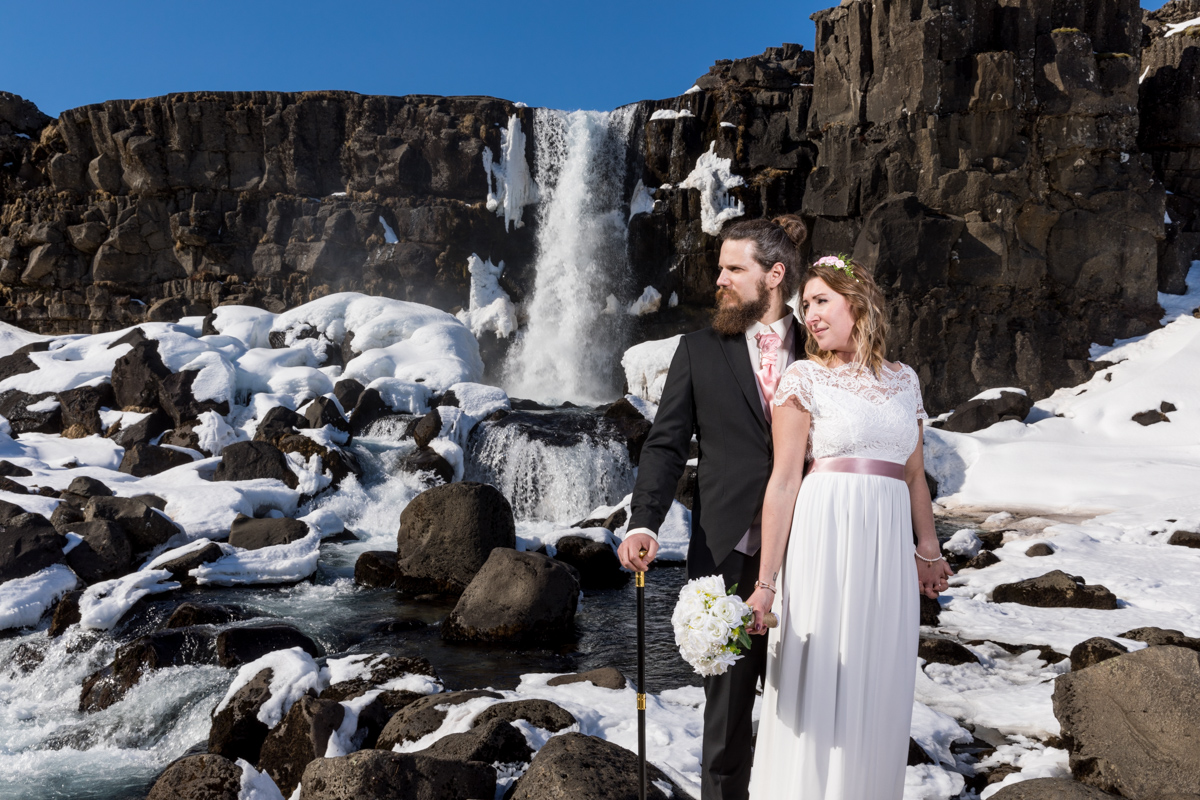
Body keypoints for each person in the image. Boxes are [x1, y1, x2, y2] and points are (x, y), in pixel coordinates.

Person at [743, 254, 953, 798]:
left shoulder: (904, 380)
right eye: (804, 305)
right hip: (824, 539)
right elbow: (785, 482)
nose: (808, 315)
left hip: (886, 549)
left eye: (820, 301)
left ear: (856, 305)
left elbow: (913, 477)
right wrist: (766, 584)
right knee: (820, 677)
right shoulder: (803, 378)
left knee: (877, 678)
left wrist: (927, 551)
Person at [617, 214, 808, 800]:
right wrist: (644, 520)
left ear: (773, 275)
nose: (718, 279)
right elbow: (667, 443)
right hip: (725, 551)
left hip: (814, 547)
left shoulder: (824, 343)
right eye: (718, 268)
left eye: (733, 268)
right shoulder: (697, 350)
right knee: (725, 716)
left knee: (809, 699)